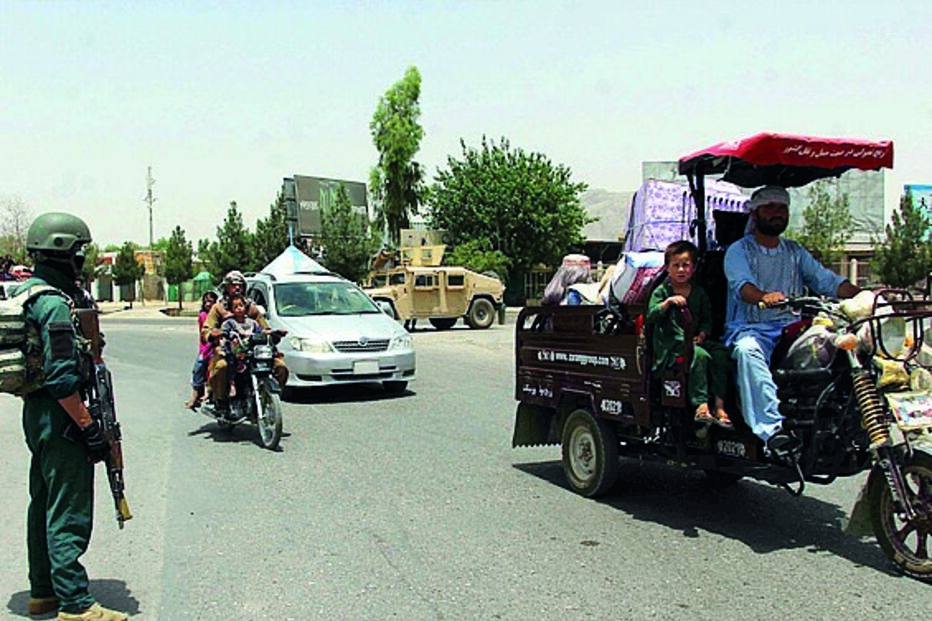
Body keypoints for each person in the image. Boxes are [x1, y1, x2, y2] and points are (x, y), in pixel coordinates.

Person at [17, 212, 129, 620]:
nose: (82, 259)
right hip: (62, 416)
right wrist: (89, 428)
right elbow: (62, 380)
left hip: (39, 415)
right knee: (68, 509)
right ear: (62, 252)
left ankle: (43, 591)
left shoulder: (29, 294)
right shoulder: (54, 305)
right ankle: (76, 604)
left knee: (44, 501)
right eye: (79, 251)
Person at [724, 185, 860, 453]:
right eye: (770, 207)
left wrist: (864, 295)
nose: (777, 213)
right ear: (755, 214)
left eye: (782, 208)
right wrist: (764, 297)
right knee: (747, 351)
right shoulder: (738, 251)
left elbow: (826, 281)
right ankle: (774, 431)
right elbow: (743, 286)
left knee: (841, 345)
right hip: (752, 329)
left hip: (792, 329)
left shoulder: (795, 251)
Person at [647, 241, 733, 428]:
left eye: (685, 265)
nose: (681, 270)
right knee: (699, 356)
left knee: (720, 354)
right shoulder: (662, 292)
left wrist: (702, 335)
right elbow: (651, 315)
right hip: (671, 344)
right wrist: (668, 303)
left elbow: (707, 320)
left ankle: (719, 405)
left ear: (693, 268)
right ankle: (701, 405)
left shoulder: (699, 293)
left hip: (694, 340)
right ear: (668, 268)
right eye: (676, 265)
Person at [201, 270, 288, 411]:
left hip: (253, 351)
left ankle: (267, 394)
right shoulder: (218, 308)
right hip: (229, 351)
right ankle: (221, 400)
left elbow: (264, 328)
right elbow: (206, 330)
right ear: (226, 287)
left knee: (280, 366)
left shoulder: (251, 308)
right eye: (233, 285)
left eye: (240, 285)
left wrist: (274, 333)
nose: (237, 288)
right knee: (221, 366)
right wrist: (214, 334)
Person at [219, 293, 263, 397]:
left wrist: (269, 333)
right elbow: (223, 334)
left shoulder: (252, 323)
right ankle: (232, 384)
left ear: (245, 307)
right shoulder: (229, 323)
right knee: (230, 361)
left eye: (241, 306)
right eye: (235, 307)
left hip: (250, 350)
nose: (239, 309)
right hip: (235, 351)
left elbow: (260, 333)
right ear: (231, 309)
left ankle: (257, 384)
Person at [184, 290, 219, 410]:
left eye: (211, 301)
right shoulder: (203, 316)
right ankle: (196, 395)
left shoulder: (219, 315)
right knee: (199, 367)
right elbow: (204, 335)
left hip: (218, 346)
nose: (208, 304)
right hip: (206, 347)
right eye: (206, 301)